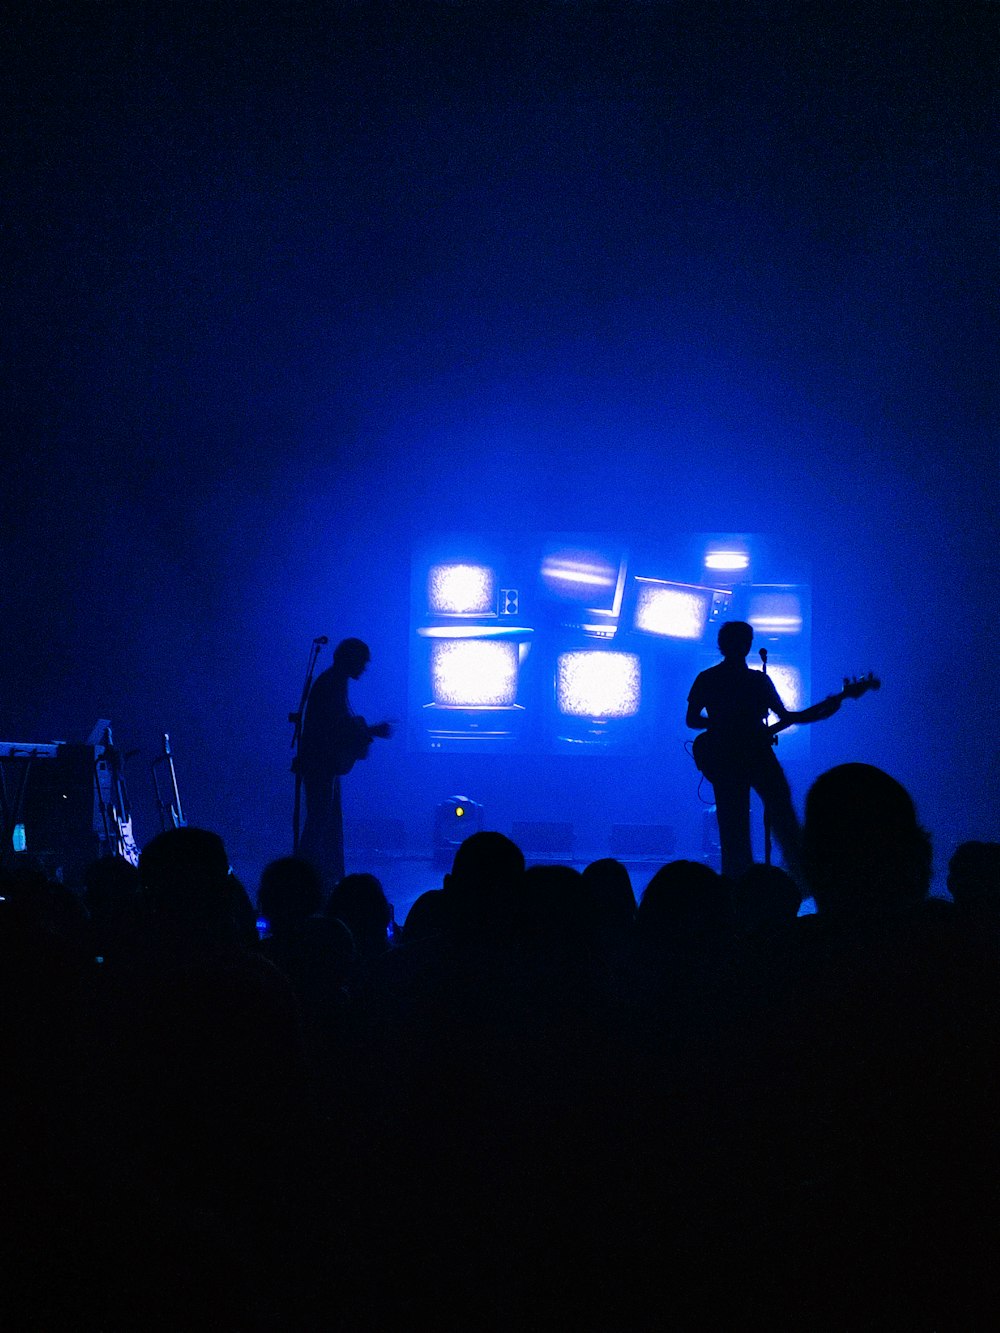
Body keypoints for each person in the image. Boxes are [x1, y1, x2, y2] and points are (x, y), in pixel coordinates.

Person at [686, 620, 839, 881]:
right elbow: (787, 717)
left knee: (734, 821)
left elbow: (692, 720)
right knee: (779, 811)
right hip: (754, 753)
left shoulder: (709, 678)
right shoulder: (755, 680)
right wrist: (823, 711)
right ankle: (801, 875)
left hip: (728, 756)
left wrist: (824, 709)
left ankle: (738, 884)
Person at [294, 638, 392, 890]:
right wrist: (373, 730)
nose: (365, 667)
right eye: (362, 661)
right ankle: (306, 877)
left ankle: (317, 877)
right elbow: (337, 728)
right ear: (350, 659)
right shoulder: (332, 684)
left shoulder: (336, 682)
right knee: (319, 821)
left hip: (324, 764)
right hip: (320, 764)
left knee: (325, 821)